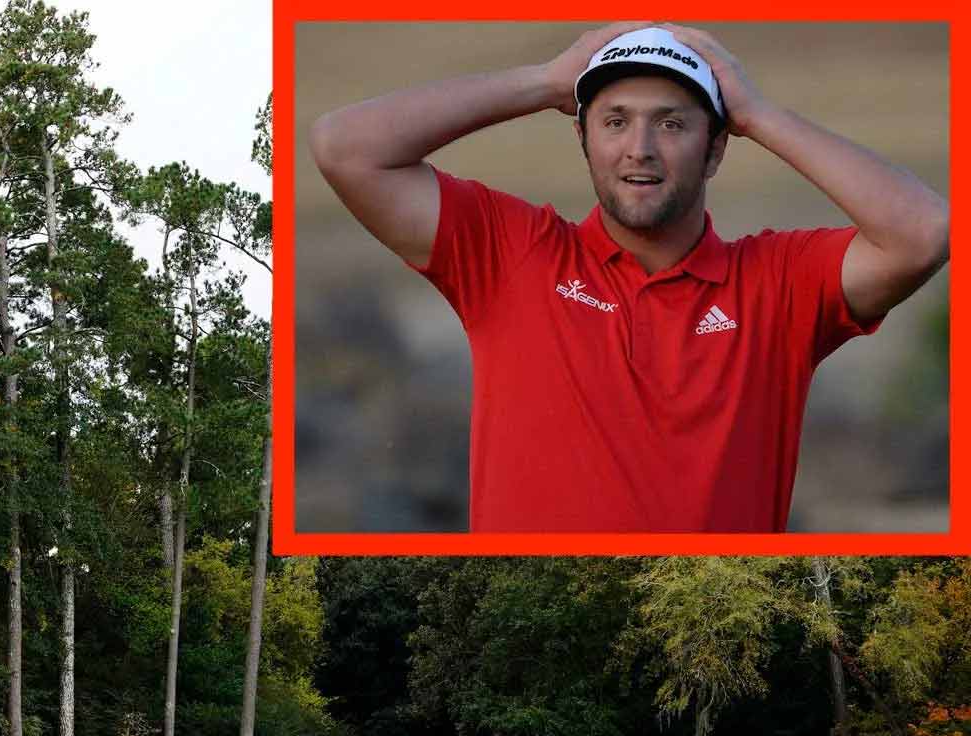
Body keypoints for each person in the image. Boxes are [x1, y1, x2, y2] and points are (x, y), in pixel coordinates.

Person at [308, 23, 950, 532]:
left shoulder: (778, 282)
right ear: (584, 138)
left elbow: (922, 232)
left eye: (671, 123)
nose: (639, 147)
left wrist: (757, 113)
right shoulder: (513, 253)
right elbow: (344, 147)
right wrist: (544, 82)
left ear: (717, 147)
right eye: (615, 121)